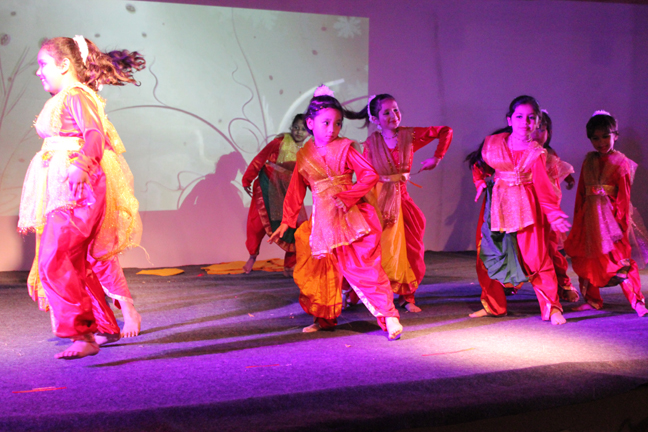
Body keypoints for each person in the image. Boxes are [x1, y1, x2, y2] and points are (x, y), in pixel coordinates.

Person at [18, 35, 145, 358]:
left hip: (77, 190)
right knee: (73, 259)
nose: (38, 72)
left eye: (43, 64)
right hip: (65, 189)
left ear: (64, 65)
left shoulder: (77, 95)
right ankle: (102, 326)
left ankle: (82, 334)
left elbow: (94, 134)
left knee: (55, 258)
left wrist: (82, 165)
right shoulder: (65, 97)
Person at [268, 86, 403, 340]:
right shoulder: (304, 155)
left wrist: (349, 196)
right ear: (310, 123)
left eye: (338, 123)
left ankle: (389, 316)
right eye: (326, 123)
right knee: (322, 272)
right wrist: (286, 221)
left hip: (350, 218)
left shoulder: (344, 147)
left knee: (364, 267)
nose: (332, 129)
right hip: (323, 223)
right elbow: (296, 190)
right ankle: (323, 318)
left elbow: (369, 175)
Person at [467, 95, 570, 325]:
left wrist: (553, 212)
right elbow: (478, 165)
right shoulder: (494, 144)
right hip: (497, 205)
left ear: (537, 122)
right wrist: (480, 181)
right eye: (520, 117)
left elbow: (542, 185)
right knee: (488, 254)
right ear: (510, 120)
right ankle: (494, 305)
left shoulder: (536, 152)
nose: (525, 122)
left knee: (537, 257)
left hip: (526, 207)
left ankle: (552, 307)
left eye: (531, 118)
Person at [353, 94, 453, 312]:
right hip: (379, 201)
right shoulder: (371, 144)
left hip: (402, 199)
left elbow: (445, 131)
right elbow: (365, 174)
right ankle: (362, 292)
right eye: (386, 112)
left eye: (396, 110)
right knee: (375, 248)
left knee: (411, 248)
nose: (394, 115)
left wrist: (437, 158)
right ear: (376, 119)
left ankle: (407, 296)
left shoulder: (409, 135)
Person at [564, 111, 648, 316]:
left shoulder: (621, 162)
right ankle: (593, 300)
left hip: (612, 220)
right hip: (589, 218)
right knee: (587, 257)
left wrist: (621, 224)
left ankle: (637, 301)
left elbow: (623, 196)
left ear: (615, 136)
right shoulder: (589, 160)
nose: (601, 142)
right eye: (595, 138)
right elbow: (582, 192)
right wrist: (579, 219)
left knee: (619, 259)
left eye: (605, 136)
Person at [241, 114, 309, 276]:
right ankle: (252, 255)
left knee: (296, 228)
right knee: (256, 224)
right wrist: (247, 180)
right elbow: (259, 159)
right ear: (291, 128)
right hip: (268, 185)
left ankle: (290, 266)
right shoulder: (279, 142)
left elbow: (309, 174)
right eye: (296, 128)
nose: (299, 132)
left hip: (289, 191)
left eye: (303, 129)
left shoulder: (308, 150)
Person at [531, 110, 579, 302]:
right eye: (534, 129)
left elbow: (558, 168)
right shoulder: (522, 150)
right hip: (527, 208)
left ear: (549, 132)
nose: (537, 134)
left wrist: (568, 178)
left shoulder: (549, 153)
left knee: (552, 249)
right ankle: (512, 284)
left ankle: (564, 283)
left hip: (549, 209)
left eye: (542, 129)